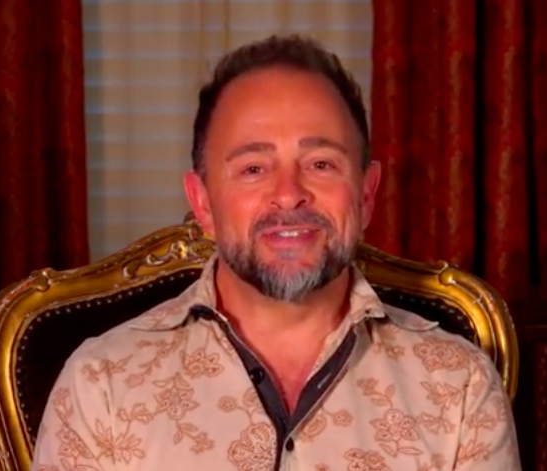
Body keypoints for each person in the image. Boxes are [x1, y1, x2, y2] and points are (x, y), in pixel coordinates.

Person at [32, 35, 520, 471]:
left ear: (367, 194)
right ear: (203, 203)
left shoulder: (459, 386)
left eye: (321, 163)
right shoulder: (102, 385)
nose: (288, 195)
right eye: (253, 169)